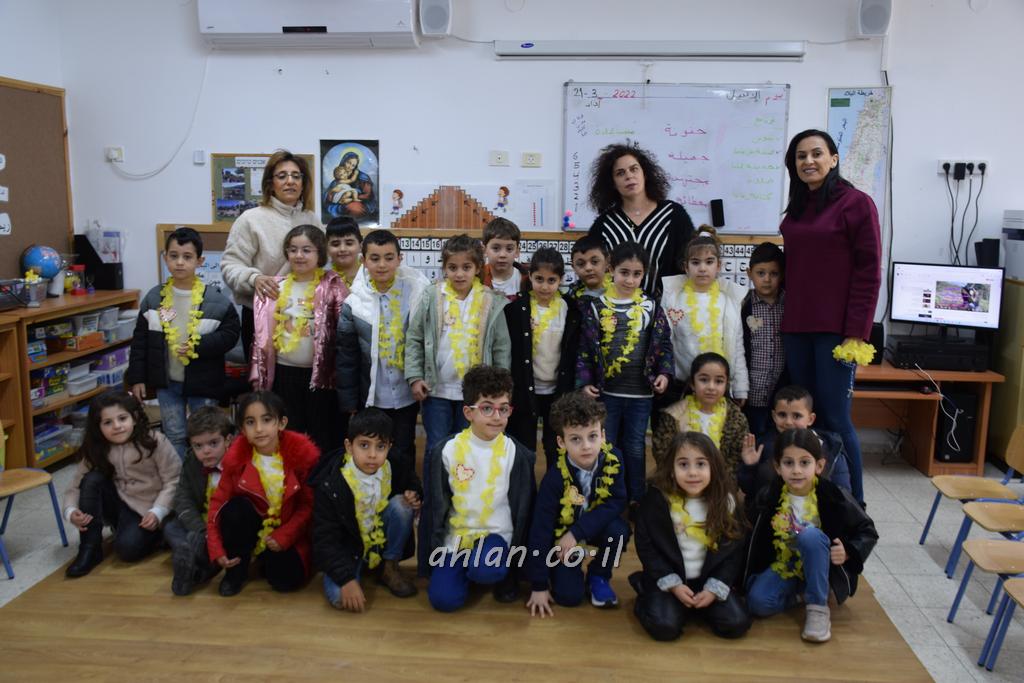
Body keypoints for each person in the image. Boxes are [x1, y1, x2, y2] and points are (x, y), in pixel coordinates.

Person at [779, 129, 881, 504]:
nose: (808, 161)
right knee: (804, 419)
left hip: (836, 332)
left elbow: (869, 272)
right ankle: (811, 498)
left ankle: (855, 506)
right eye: (800, 156)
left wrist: (857, 333)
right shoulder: (799, 206)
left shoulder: (856, 203)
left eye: (816, 153)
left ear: (833, 159)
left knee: (835, 419)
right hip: (796, 327)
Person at [406, 235, 512, 575]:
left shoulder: (492, 302)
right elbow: (414, 338)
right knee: (437, 454)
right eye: (452, 267)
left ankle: (469, 517)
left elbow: (501, 348)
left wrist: (499, 394)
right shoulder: (430, 297)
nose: (459, 273)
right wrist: (415, 376)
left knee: (471, 457)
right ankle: (435, 525)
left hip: (476, 399)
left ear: (478, 268)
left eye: (466, 267)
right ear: (444, 268)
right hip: (437, 392)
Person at [745, 428, 878, 642]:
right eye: (788, 463)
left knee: (810, 536)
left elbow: (867, 530)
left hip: (821, 564)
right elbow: (751, 531)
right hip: (785, 564)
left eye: (804, 463)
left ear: (819, 466)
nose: (796, 470)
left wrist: (848, 551)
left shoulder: (834, 495)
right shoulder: (769, 496)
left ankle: (817, 607)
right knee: (757, 603)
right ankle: (803, 594)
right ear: (777, 467)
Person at [424, 366, 536, 611]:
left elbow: (526, 511)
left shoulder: (518, 455)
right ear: (468, 412)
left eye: (503, 408)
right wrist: (429, 559)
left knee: (486, 569)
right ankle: (463, 569)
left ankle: (491, 568)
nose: (497, 416)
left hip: (497, 536)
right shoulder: (446, 451)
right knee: (443, 600)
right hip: (457, 538)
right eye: (487, 408)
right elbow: (433, 508)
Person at [127, 227, 240, 458]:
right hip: (167, 383)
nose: (180, 262)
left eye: (187, 257)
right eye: (174, 256)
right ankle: (179, 476)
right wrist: (137, 377)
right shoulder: (153, 299)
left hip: (204, 381)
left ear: (200, 261)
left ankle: (207, 474)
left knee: (206, 433)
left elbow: (230, 335)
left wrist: (199, 346)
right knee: (174, 433)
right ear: (165, 258)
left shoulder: (215, 300)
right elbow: (140, 342)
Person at [630, 432, 751, 641]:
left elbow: (733, 551)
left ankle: (696, 606)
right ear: (671, 470)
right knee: (664, 627)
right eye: (683, 465)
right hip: (670, 578)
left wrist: (714, 588)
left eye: (701, 464)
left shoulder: (726, 502)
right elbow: (647, 546)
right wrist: (674, 585)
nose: (692, 472)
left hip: (708, 580)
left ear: (713, 467)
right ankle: (647, 597)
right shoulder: (657, 501)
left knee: (736, 623)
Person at [578, 241, 673, 505]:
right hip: (607, 393)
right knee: (607, 445)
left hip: (641, 394)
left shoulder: (651, 307)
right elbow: (585, 349)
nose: (630, 280)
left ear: (644, 274)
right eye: (624, 272)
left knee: (635, 446)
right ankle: (608, 497)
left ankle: (636, 499)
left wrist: (664, 373)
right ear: (611, 270)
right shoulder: (596, 306)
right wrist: (585, 382)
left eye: (637, 274)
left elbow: (664, 345)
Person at [336, 229, 429, 492]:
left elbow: (424, 342)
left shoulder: (416, 293)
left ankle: (404, 497)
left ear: (400, 258)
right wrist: (349, 403)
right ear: (363, 261)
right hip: (371, 396)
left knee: (403, 447)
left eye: (389, 257)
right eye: (374, 258)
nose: (382, 265)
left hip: (406, 393)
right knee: (372, 451)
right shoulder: (354, 302)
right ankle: (373, 499)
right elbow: (347, 357)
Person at [525, 392, 629, 616]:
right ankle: (561, 570)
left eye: (592, 436)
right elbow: (540, 530)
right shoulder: (554, 478)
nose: (586, 446)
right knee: (569, 597)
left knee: (619, 531)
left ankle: (598, 576)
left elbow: (617, 501)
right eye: (575, 439)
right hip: (561, 538)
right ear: (561, 442)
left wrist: (577, 532)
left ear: (603, 435)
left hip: (593, 527)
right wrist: (539, 585)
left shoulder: (615, 460)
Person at [206, 391, 319, 597]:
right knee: (235, 509)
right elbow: (217, 505)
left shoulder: (300, 457)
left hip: (287, 530)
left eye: (266, 420)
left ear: (281, 423)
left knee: (286, 581)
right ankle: (236, 571)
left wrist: (285, 535)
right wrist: (216, 548)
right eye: (251, 422)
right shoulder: (236, 460)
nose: (259, 429)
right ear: (242, 429)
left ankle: (265, 560)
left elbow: (307, 506)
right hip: (251, 526)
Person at [310, 408, 422, 612]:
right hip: (347, 550)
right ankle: (354, 570)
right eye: (364, 445)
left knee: (401, 505)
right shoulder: (331, 483)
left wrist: (414, 495)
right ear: (349, 446)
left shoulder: (394, 464)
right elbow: (324, 539)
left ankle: (388, 566)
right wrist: (346, 579)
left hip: (379, 540)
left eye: (380, 446)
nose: (372, 454)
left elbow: (413, 482)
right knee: (340, 599)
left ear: (389, 447)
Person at [63, 391, 181, 578]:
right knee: (92, 479)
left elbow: (174, 480)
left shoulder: (155, 441)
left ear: (134, 418)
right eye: (107, 422)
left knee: (127, 550)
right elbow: (75, 485)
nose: (117, 426)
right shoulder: (97, 448)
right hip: (120, 504)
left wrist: (158, 511)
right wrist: (70, 511)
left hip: (150, 507)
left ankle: (159, 535)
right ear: (98, 426)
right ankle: (90, 548)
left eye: (122, 418)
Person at [250, 225, 346, 452]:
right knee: (289, 433)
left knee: (321, 434)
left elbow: (344, 333)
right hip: (285, 373)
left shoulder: (333, 286)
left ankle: (320, 474)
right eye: (293, 250)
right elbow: (260, 336)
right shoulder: (275, 287)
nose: (299, 255)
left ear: (319, 253)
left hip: (321, 376)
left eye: (306, 250)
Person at [221, 150, 320, 361]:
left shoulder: (312, 220)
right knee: (264, 379)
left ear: (303, 183)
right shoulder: (250, 219)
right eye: (282, 176)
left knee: (303, 373)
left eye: (296, 176)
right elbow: (230, 265)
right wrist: (254, 278)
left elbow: (323, 264)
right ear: (270, 184)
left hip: (305, 314)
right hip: (261, 315)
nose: (290, 181)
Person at [504, 247, 581, 468]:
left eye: (551, 280)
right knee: (524, 446)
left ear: (561, 280)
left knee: (555, 447)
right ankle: (524, 490)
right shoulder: (516, 310)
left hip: (558, 392)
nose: (545, 286)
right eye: (539, 279)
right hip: (524, 391)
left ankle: (554, 489)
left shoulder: (570, 310)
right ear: (530, 277)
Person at [587, 142, 695, 299]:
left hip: (665, 309)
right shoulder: (604, 225)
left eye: (634, 169)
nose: (629, 176)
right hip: (616, 309)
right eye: (620, 173)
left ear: (645, 173)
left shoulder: (674, 215)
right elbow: (595, 271)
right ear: (613, 183)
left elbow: (689, 262)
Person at [660, 228, 749, 406]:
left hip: (717, 386)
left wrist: (740, 387)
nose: (702, 268)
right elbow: (665, 342)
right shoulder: (673, 299)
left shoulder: (728, 301)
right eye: (695, 262)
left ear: (718, 266)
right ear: (686, 267)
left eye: (709, 262)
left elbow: (737, 347)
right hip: (680, 386)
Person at [164, 406, 234, 596]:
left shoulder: (238, 460)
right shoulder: (192, 462)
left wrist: (212, 534)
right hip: (203, 524)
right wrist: (203, 531)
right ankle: (193, 557)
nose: (206, 451)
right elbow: (183, 498)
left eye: (213, 443)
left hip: (226, 524)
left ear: (228, 440)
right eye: (198, 446)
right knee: (171, 526)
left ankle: (197, 568)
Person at [737, 385, 851, 499]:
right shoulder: (762, 447)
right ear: (774, 416)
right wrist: (750, 466)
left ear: (810, 419)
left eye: (796, 416)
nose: (788, 422)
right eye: (782, 415)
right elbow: (749, 490)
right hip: (773, 508)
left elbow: (842, 494)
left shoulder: (830, 447)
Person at [652, 353, 756, 476]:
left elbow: (735, 461)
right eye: (704, 380)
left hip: (721, 481)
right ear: (692, 383)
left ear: (726, 384)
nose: (711, 387)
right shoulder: (674, 415)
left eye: (719, 381)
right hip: (682, 479)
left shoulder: (735, 419)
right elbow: (663, 454)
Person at [741, 242, 787, 437]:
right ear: (749, 273)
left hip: (782, 390)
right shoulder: (743, 305)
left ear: (782, 275)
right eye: (760, 273)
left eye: (773, 273)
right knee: (752, 436)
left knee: (777, 439)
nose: (767, 279)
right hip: (753, 391)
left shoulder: (789, 304)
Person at [480, 217, 529, 299]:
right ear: (485, 251)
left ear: (517, 252)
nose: (502, 255)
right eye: (496, 248)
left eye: (509, 249)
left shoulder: (528, 279)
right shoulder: (477, 278)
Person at [324, 151, 377, 220]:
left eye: (353, 165)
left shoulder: (363, 177)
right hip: (340, 200)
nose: (350, 167)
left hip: (359, 201)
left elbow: (367, 195)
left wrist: (353, 195)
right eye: (348, 163)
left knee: (355, 208)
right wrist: (332, 192)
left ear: (355, 166)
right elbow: (328, 195)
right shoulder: (339, 176)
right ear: (344, 161)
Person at [566, 233, 610, 309]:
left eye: (595, 262)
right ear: (574, 267)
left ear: (607, 262)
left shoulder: (622, 292)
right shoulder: (568, 300)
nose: (588, 268)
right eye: (581, 264)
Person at [326, 216, 363, 288]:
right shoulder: (321, 278)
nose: (342, 249)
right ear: (327, 248)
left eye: (349, 243)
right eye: (335, 244)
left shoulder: (370, 274)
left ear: (360, 246)